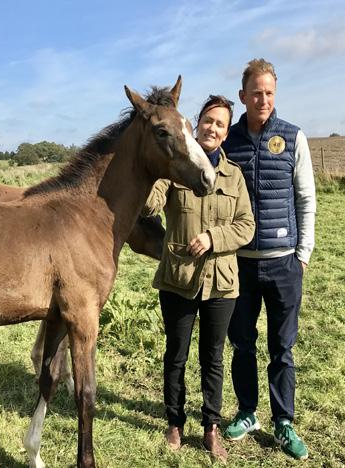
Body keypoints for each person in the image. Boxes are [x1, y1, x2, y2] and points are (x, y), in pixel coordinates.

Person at [143, 95, 255, 463]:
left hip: (222, 283)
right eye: (208, 121)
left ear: (225, 133)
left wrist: (212, 239)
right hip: (179, 278)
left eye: (220, 124)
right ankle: (174, 421)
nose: (213, 128)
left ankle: (211, 427)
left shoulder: (234, 176)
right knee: (175, 355)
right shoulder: (176, 169)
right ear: (198, 123)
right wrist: (151, 172)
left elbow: (246, 226)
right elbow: (150, 205)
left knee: (213, 358)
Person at [222, 58, 316, 461]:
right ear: (243, 96)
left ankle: (284, 421)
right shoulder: (228, 141)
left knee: (282, 347)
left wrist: (303, 254)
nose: (263, 99)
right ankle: (247, 413)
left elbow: (306, 198)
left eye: (269, 93)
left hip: (284, 263)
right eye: (256, 93)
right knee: (242, 344)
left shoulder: (293, 138)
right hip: (239, 264)